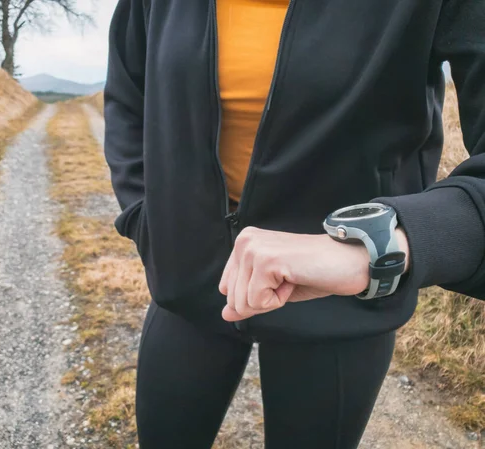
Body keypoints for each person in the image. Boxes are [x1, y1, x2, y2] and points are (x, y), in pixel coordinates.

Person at [104, 0, 485, 447]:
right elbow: (128, 95)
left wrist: (382, 245)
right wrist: (147, 220)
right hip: (187, 272)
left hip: (342, 294)